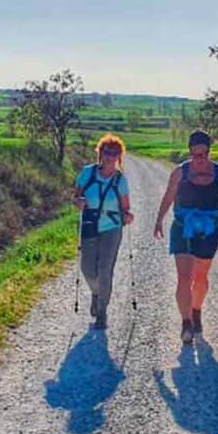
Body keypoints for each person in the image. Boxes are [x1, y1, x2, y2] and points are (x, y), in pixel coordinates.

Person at [153, 130, 218, 344]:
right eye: (194, 154)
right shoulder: (180, 172)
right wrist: (159, 220)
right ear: (189, 152)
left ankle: (196, 310)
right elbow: (169, 196)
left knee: (200, 277)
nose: (198, 160)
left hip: (208, 230)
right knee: (184, 277)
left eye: (203, 154)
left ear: (209, 151)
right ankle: (186, 322)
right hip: (182, 227)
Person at [73, 134, 133, 330]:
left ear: (119, 157)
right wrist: (79, 202)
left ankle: (102, 312)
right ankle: (96, 293)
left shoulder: (120, 180)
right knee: (88, 270)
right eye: (107, 152)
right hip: (90, 225)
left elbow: (126, 208)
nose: (110, 156)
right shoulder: (87, 173)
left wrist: (128, 216)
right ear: (100, 153)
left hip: (112, 228)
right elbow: (76, 197)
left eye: (115, 153)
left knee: (105, 270)